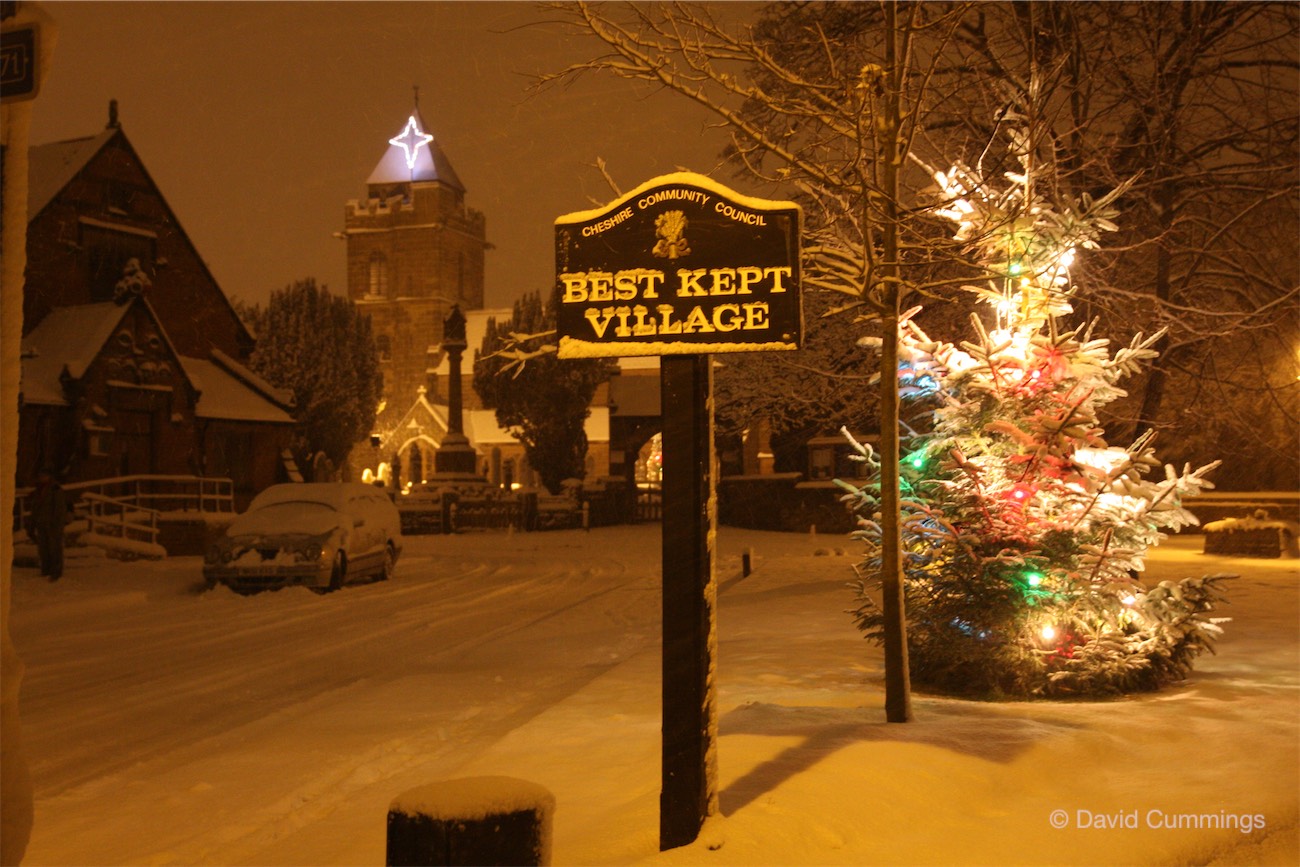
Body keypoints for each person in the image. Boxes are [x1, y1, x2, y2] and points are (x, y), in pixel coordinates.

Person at [28, 469, 68, 581]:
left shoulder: (55, 489)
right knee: (43, 548)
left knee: (54, 548)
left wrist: (57, 523)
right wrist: (32, 524)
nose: (41, 478)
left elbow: (59, 508)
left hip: (52, 524)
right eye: (40, 476)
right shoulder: (38, 490)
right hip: (41, 523)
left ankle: (56, 572)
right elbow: (35, 508)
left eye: (44, 475)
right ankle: (46, 569)